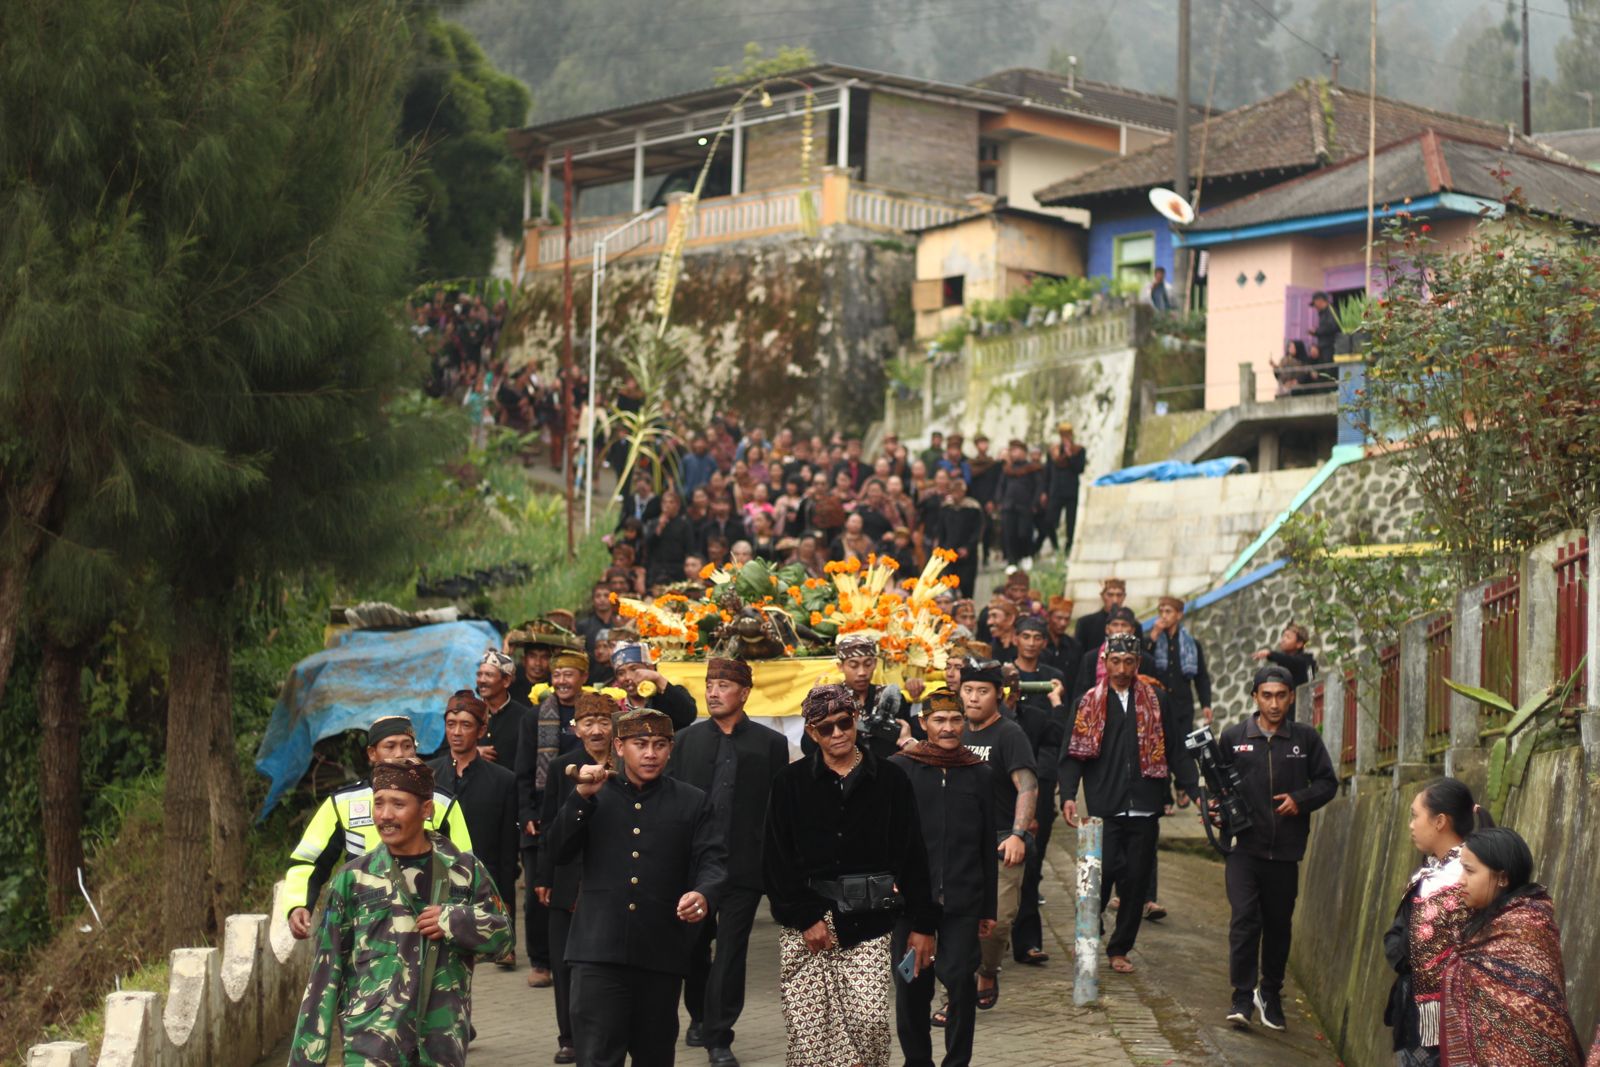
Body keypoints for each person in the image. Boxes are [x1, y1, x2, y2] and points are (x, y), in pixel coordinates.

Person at [288, 759, 509, 1067]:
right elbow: (324, 976)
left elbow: (504, 939)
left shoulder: (464, 870)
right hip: (371, 1045)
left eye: (398, 804)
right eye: (378, 804)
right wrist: (306, 1060)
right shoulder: (352, 880)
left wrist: (455, 922)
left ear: (427, 810)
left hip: (441, 1043)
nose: (385, 816)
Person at [763, 683, 937, 1067]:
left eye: (844, 722)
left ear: (856, 720)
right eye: (826, 727)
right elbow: (775, 859)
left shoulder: (890, 780)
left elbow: (912, 855)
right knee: (812, 1040)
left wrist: (923, 924)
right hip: (805, 928)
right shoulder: (789, 784)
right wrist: (806, 917)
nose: (837, 733)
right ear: (811, 732)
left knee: (870, 1024)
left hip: (870, 924)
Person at [551, 704, 727, 1067]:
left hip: (659, 952)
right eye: (640, 743)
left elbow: (713, 860)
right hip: (597, 952)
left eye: (660, 744)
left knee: (655, 1056)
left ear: (671, 748)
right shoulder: (594, 792)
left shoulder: (692, 801)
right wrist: (581, 797)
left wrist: (703, 894)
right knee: (598, 1057)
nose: (650, 754)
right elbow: (557, 851)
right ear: (618, 747)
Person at [667, 658, 791, 1067]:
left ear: (744, 693)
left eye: (723, 685)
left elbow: (778, 809)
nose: (713, 691)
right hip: (695, 866)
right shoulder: (685, 740)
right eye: (709, 684)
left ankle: (720, 1036)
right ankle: (700, 1017)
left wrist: (774, 865)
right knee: (693, 949)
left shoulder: (769, 744)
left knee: (732, 952)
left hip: (743, 866)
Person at [1060, 633, 1197, 975]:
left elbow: (1176, 750)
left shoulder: (1156, 700)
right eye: (1115, 661)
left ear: (1138, 664)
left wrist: (1193, 790)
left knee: (1135, 882)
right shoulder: (1087, 702)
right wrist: (1066, 795)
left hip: (1146, 806)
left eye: (1129, 662)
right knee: (1097, 878)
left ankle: (1119, 948)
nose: (1121, 669)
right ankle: (1090, 935)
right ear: (1104, 662)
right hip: (1104, 806)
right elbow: (1072, 754)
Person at [1215, 664, 1338, 1030]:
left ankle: (1270, 992)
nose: (1274, 703)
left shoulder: (1305, 739)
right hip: (1244, 850)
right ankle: (1241, 996)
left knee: (1278, 925)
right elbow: (1219, 787)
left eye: (1281, 696)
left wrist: (1300, 799)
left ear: (1291, 697)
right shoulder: (1234, 737)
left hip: (1285, 852)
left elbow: (1328, 782)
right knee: (1244, 920)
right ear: (1254, 697)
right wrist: (1217, 812)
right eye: (1266, 695)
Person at [282, 716, 473, 940]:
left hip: (424, 929)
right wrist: (299, 904)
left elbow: (465, 867)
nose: (400, 754)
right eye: (390, 746)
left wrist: (452, 915)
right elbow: (308, 860)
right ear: (372, 754)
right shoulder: (342, 803)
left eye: (407, 745)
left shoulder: (440, 803)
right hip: (361, 928)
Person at [890, 690, 997, 1067]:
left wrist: (988, 908)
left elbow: (987, 845)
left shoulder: (980, 774)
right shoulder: (901, 769)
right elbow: (883, 833)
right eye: (939, 720)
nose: (949, 728)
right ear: (924, 724)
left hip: (963, 901)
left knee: (960, 983)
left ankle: (957, 1062)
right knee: (911, 988)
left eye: (955, 720)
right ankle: (917, 1061)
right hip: (911, 904)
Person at [1440, 827, 1582, 1067]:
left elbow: (1534, 1023)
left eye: (1469, 870)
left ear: (1503, 878)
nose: (1460, 880)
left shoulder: (1524, 929)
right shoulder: (1482, 923)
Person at [537, 691, 621, 1064]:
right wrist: (544, 876)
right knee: (564, 961)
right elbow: (550, 824)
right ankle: (567, 1037)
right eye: (589, 722)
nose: (597, 730)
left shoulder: (626, 763)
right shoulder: (563, 767)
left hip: (613, 873)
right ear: (576, 728)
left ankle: (609, 1030)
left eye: (604, 722)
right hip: (569, 877)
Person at [1385, 779, 1482, 1067]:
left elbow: (1410, 947)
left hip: (1442, 1026)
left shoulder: (1461, 879)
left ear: (1440, 821)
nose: (1411, 825)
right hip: (1415, 1015)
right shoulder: (1433, 870)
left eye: (1416, 816)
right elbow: (1400, 937)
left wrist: (1402, 953)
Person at [958, 659, 1038, 1009]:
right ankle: (954, 993)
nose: (974, 698)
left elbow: (1028, 786)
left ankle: (988, 969)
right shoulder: (954, 731)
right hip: (960, 843)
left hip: (1002, 841)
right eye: (968, 690)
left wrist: (1019, 833)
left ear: (999, 695)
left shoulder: (1009, 734)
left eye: (983, 691)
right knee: (956, 921)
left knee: (998, 921)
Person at [427, 692, 520, 969]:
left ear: (481, 730)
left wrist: (505, 912)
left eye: (465, 725)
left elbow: (508, 849)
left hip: (483, 878)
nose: (457, 732)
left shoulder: (502, 780)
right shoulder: (428, 776)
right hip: (436, 883)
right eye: (451, 724)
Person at [1007, 619, 1067, 967]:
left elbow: (1054, 737)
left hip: (1037, 782)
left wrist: (1045, 780)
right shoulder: (997, 685)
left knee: (1030, 863)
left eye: (1036, 637)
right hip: (1001, 784)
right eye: (1024, 636)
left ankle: (1027, 940)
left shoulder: (1052, 678)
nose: (1030, 643)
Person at [1149, 596, 1213, 735]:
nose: (1164, 616)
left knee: (1183, 750)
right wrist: (1153, 637)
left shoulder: (1191, 644)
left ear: (1179, 615)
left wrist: (1206, 704)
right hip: (1158, 707)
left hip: (1183, 708)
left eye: (1168, 611)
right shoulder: (1152, 641)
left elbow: (1201, 677)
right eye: (1161, 612)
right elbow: (1142, 663)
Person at [612, 642, 700, 731]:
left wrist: (658, 678)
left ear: (650, 668)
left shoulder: (669, 696)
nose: (627, 677)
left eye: (634, 669)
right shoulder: (616, 704)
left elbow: (689, 715)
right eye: (620, 673)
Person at [475, 649, 531, 773]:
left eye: (488, 675)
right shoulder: (469, 712)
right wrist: (472, 753)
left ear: (506, 681)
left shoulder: (524, 717)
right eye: (479, 674)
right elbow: (445, 752)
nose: (482, 680)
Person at [996, 439, 1044, 567]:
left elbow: (1039, 486)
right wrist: (999, 501)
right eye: (1012, 451)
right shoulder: (1008, 470)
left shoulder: (1031, 468)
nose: (1014, 453)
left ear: (1023, 452)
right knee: (1009, 534)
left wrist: (1034, 503)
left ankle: (1026, 555)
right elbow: (1001, 486)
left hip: (1025, 506)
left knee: (1024, 533)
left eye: (1016, 450)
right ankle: (1012, 560)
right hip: (1008, 506)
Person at [1041, 423, 1086, 556]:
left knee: (1071, 522)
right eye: (1063, 435)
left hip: (1071, 491)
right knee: (1049, 520)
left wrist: (1070, 455)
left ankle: (1068, 548)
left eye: (1067, 435)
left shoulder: (1078, 451)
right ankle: (1055, 546)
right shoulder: (1053, 452)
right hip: (1055, 491)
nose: (1065, 438)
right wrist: (1044, 491)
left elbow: (1080, 469)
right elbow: (1047, 473)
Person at [934, 479, 984, 598]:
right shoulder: (946, 508)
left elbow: (977, 531)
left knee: (967, 584)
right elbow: (941, 531)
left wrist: (968, 547)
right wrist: (941, 549)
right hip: (949, 552)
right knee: (949, 585)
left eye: (959, 491)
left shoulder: (973, 508)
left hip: (967, 553)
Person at [1251, 622, 1317, 698]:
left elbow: (1291, 661)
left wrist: (1269, 654)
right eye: (1283, 637)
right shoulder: (1285, 663)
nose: (1283, 640)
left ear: (1299, 644)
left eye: (1288, 637)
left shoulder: (1304, 661)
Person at [1073, 578, 1126, 656]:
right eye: (1110, 595)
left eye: (1119, 595)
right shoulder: (1085, 624)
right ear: (1102, 596)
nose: (1115, 600)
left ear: (1124, 597)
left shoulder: (1133, 625)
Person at [1040, 596, 1082, 678]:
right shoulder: (1039, 643)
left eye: (1067, 619)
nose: (1063, 623)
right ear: (1048, 617)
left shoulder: (1074, 646)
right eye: (1059, 618)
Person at [1309, 291, 1340, 360]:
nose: (1315, 307)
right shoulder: (1322, 313)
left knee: (1329, 369)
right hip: (1324, 347)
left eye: (1315, 303)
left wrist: (1317, 331)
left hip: (1330, 346)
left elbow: (1332, 326)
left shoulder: (1331, 311)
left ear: (1320, 300)